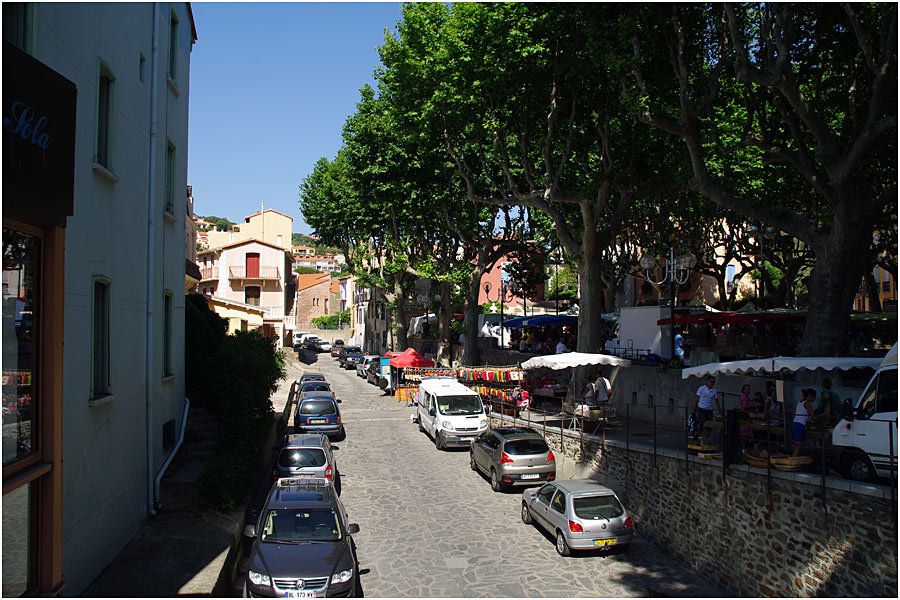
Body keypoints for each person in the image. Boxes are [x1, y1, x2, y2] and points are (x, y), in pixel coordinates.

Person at [692, 376, 721, 441]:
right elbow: (697, 398)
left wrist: (719, 410)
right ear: (707, 381)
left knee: (709, 424)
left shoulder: (714, 390)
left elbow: (716, 400)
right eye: (711, 381)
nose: (712, 383)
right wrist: (694, 408)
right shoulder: (702, 388)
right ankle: (699, 433)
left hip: (709, 409)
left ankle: (707, 437)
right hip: (701, 408)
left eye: (713, 382)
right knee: (702, 422)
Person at [792, 388, 817, 457]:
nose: (814, 399)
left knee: (798, 447)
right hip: (799, 426)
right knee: (797, 448)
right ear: (810, 396)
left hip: (795, 424)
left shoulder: (799, 402)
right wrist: (824, 414)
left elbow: (807, 417)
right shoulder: (807, 403)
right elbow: (813, 416)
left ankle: (796, 462)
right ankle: (794, 463)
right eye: (814, 397)